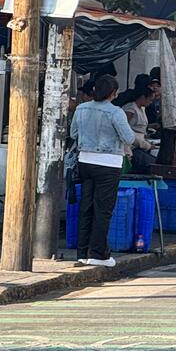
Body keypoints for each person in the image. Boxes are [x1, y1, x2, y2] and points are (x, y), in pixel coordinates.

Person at [69, 74, 135, 267]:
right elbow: (129, 138)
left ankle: (82, 253)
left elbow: (73, 134)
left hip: (85, 161)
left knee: (86, 207)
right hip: (109, 164)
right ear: (113, 93)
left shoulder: (81, 109)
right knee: (103, 210)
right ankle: (98, 254)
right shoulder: (116, 113)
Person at [122, 86, 155, 172]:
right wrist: (146, 145)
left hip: (141, 143)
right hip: (131, 146)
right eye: (150, 100)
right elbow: (125, 130)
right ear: (143, 97)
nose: (150, 102)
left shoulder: (142, 109)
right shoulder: (130, 109)